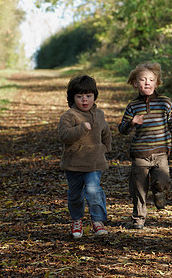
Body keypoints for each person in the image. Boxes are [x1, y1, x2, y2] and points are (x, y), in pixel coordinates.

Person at [118, 61, 172, 229]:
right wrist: (132, 122)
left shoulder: (165, 103)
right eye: (142, 80)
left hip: (161, 153)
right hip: (140, 154)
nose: (147, 83)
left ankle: (159, 191)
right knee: (138, 189)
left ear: (157, 83)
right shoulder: (133, 106)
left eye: (151, 80)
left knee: (162, 180)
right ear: (135, 83)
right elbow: (122, 129)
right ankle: (138, 219)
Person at [58, 75, 112, 238]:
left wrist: (106, 148)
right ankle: (77, 221)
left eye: (88, 96)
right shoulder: (69, 116)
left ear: (94, 96)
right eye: (79, 96)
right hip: (73, 164)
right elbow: (64, 135)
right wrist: (81, 128)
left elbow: (106, 133)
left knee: (93, 191)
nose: (84, 100)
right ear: (72, 97)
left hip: (94, 162)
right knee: (75, 195)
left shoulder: (100, 114)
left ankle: (97, 220)